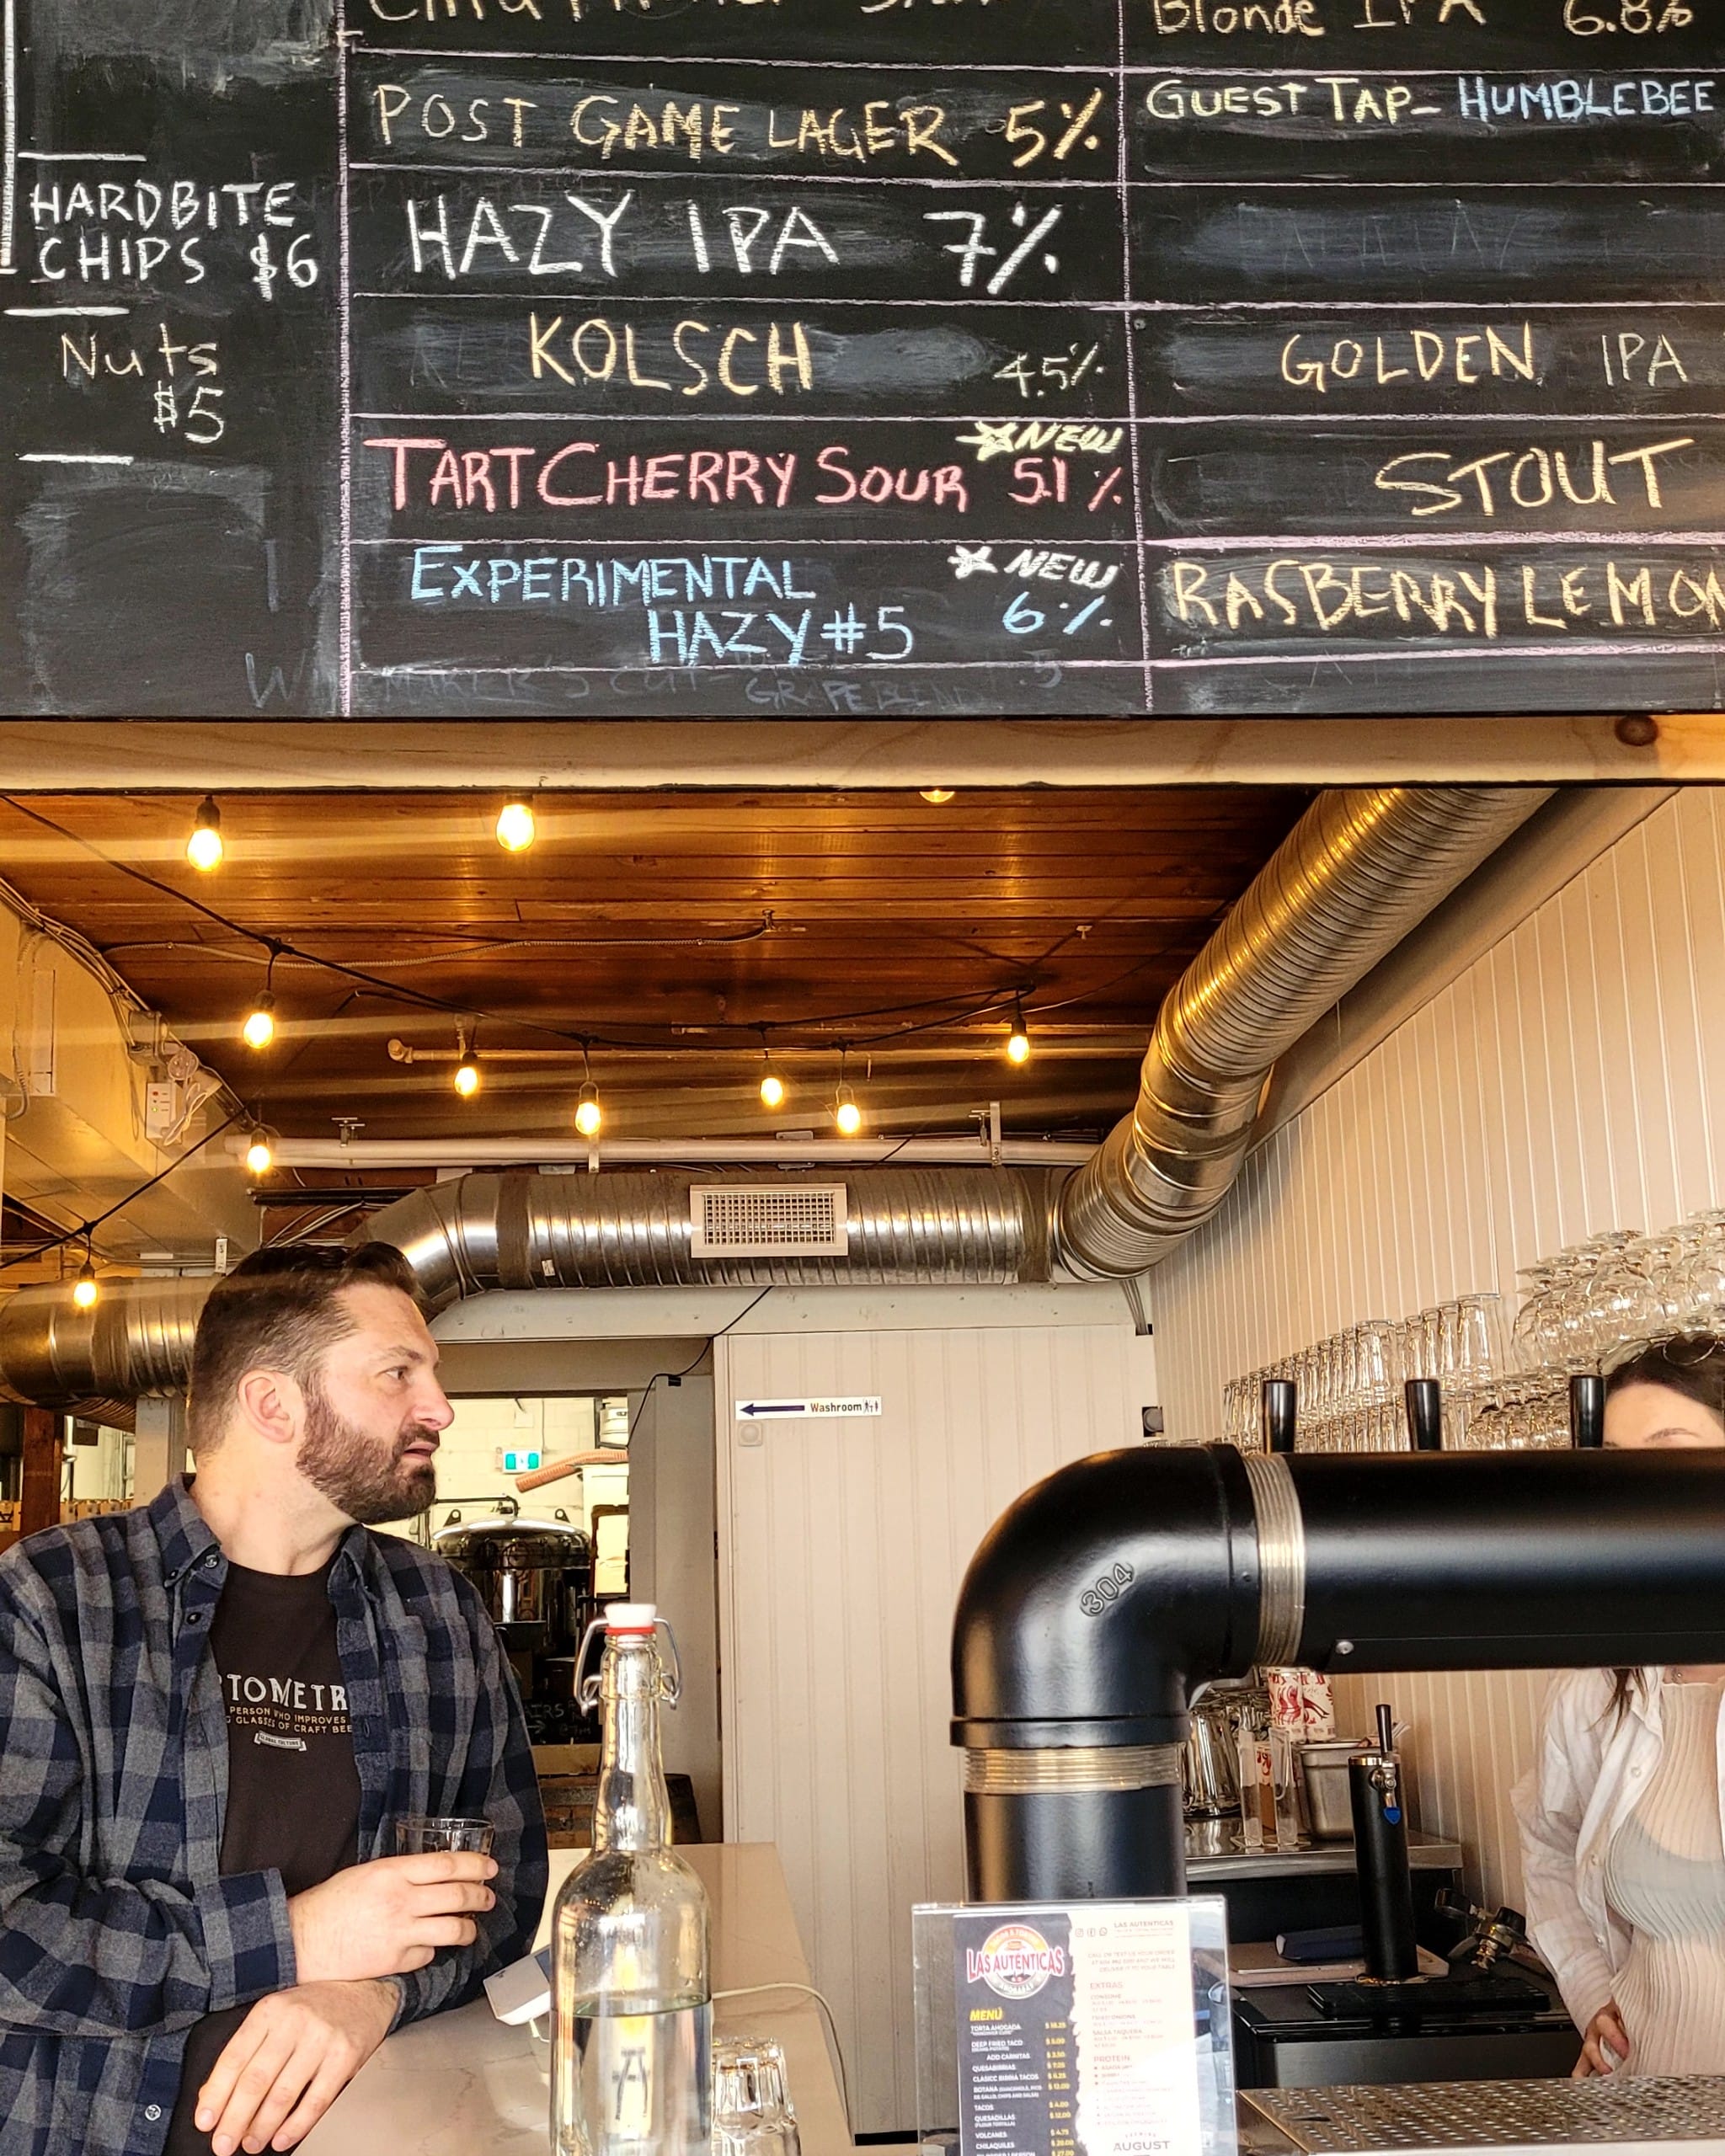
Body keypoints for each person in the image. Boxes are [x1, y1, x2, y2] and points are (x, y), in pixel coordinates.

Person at [0, 1241, 547, 2156]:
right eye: (397, 1373)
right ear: (272, 1402)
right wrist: (291, 1936)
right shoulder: (55, 1599)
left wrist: (373, 1991)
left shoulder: (435, 1610)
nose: (440, 1407)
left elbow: (504, 1888)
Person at [1514, 1335, 1725, 2079]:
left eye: (1673, 1447)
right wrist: (1590, 1991)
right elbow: (1547, 1846)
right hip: (1643, 2105)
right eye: (1620, 1458)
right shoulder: (1599, 1682)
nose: (1643, 1481)